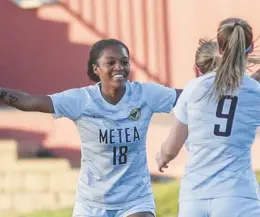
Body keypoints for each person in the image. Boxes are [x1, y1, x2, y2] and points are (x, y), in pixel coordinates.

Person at [0, 39, 182, 217]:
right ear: (97, 69)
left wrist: (208, 81)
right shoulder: (82, 100)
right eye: (111, 62)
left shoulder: (145, 94)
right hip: (92, 203)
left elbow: (188, 98)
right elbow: (31, 102)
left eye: (124, 62)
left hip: (135, 200)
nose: (119, 67)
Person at [156, 18, 260, 217]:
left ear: (219, 48)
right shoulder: (255, 92)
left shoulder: (194, 88)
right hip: (238, 197)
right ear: (250, 47)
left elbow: (171, 148)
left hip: (194, 198)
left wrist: (162, 158)